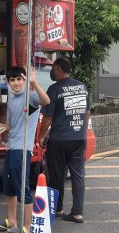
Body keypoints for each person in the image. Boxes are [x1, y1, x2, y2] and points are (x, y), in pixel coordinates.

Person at [0, 66, 50, 233]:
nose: (16, 83)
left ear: (24, 80)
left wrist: (35, 83)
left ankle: (28, 228)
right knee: (8, 187)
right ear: (8, 83)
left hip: (22, 149)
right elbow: (10, 126)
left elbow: (46, 101)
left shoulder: (30, 97)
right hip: (10, 148)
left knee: (22, 188)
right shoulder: (11, 100)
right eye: (12, 80)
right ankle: (12, 222)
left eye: (19, 79)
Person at [38, 57, 90, 224]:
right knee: (78, 175)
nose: (52, 71)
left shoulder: (54, 89)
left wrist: (41, 136)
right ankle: (78, 213)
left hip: (59, 139)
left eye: (53, 68)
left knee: (56, 175)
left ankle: (57, 209)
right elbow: (87, 112)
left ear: (59, 69)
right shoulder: (82, 87)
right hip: (78, 138)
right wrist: (81, 130)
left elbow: (47, 118)